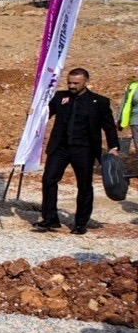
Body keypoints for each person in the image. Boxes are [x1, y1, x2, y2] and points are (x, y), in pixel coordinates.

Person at [35, 67, 119, 235]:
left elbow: (109, 126)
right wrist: (33, 113)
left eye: (76, 83)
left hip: (85, 150)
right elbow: (45, 115)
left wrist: (114, 147)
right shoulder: (60, 97)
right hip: (60, 148)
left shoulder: (99, 102)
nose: (72, 86)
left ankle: (80, 223)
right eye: (69, 82)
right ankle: (50, 218)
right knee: (49, 180)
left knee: (84, 186)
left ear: (85, 82)